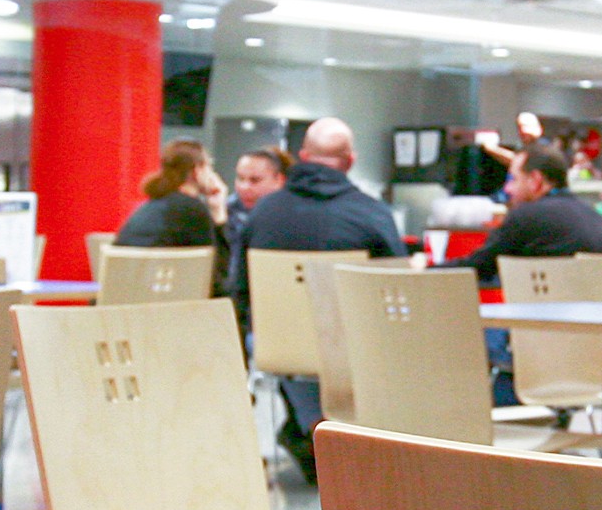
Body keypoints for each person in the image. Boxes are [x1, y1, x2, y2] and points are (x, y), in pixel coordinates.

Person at [236, 118, 404, 480]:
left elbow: (239, 290)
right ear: (350, 160)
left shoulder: (263, 214)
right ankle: (338, 436)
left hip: (278, 348)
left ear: (303, 156)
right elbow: (397, 290)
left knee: (299, 344)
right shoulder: (371, 214)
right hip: (356, 351)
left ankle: (312, 430)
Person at [431, 138, 602, 404]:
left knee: (462, 334)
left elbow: (477, 267)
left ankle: (480, 418)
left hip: (537, 347)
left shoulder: (526, 217)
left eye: (513, 179)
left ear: (536, 181)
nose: (507, 189)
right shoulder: (593, 218)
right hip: (596, 354)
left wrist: (426, 270)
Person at [112, 138, 230, 289]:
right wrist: (220, 214)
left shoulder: (151, 205)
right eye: (209, 167)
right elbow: (216, 276)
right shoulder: (192, 210)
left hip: (124, 299)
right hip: (161, 304)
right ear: (197, 171)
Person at [225, 143, 288, 279]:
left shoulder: (291, 216)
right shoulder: (226, 211)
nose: (244, 187)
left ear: (279, 180)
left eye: (255, 180)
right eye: (240, 178)